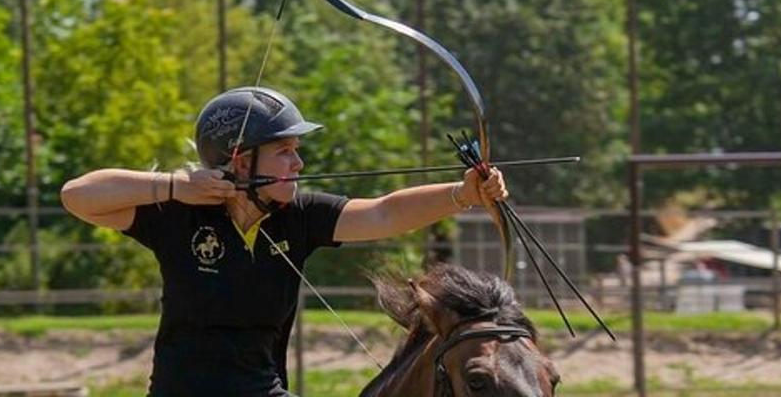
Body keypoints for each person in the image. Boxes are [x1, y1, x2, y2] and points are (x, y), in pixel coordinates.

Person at [60, 86, 508, 397]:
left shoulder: (299, 216)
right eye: (284, 150)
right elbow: (77, 196)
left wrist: (463, 194)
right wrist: (173, 186)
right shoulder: (176, 215)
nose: (298, 162)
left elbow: (384, 212)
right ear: (240, 160)